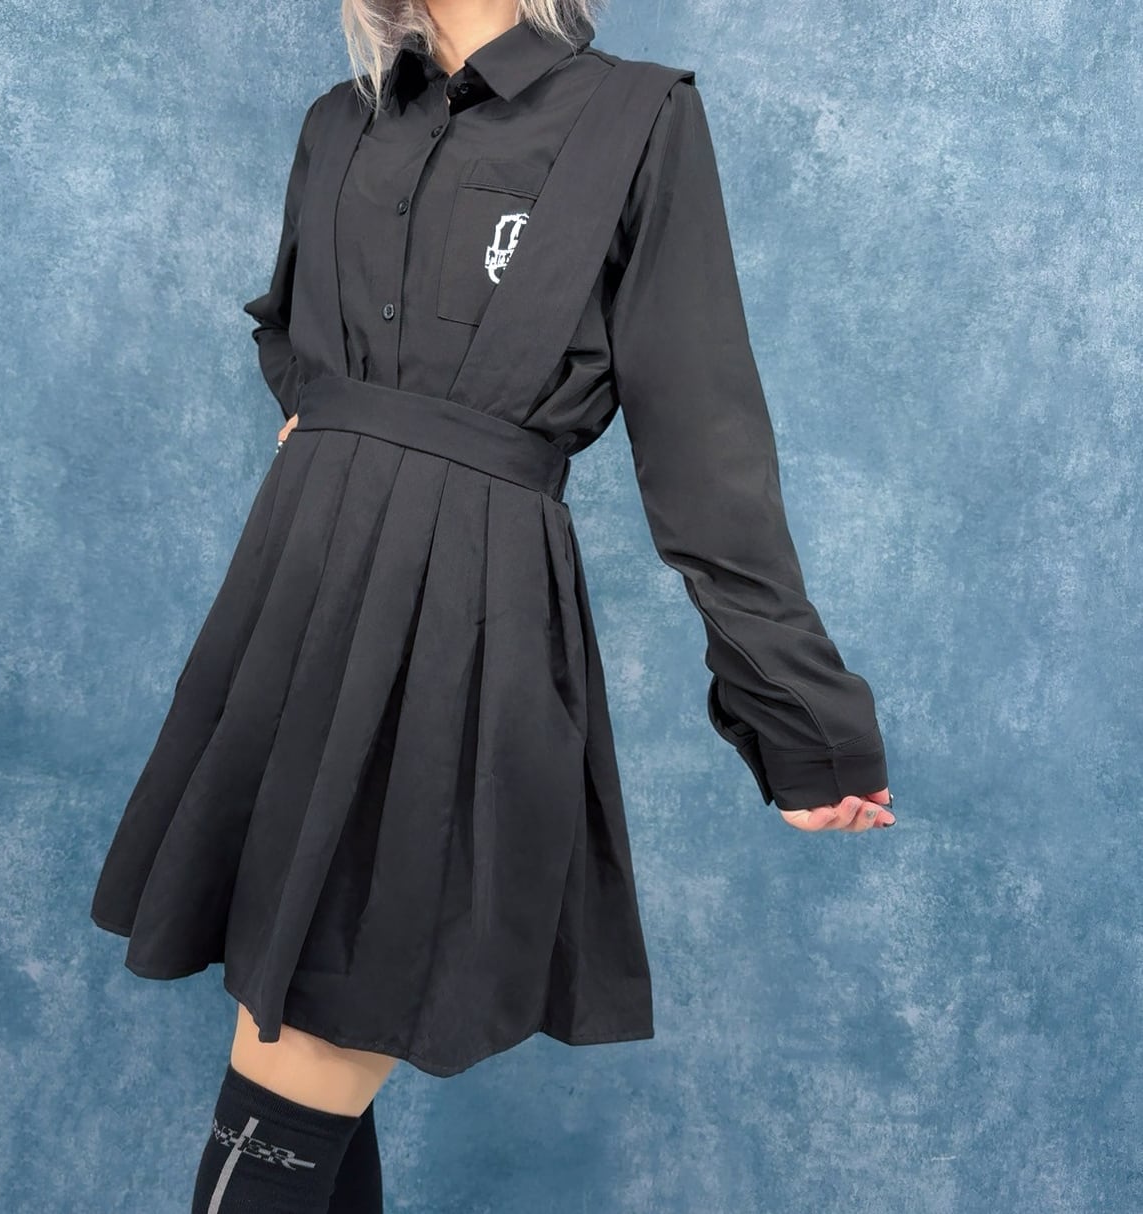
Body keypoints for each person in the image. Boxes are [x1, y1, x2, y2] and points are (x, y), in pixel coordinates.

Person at [89, 1, 896, 1209]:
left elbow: (703, 443)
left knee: (310, 1040)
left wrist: (801, 726)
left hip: (458, 615)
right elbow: (288, 326)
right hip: (296, 601)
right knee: (304, 1020)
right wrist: (331, 417)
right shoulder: (338, 120)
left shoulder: (635, 118)